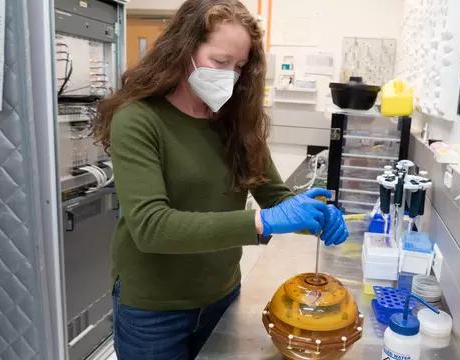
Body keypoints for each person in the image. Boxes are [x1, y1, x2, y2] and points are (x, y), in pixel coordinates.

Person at [91, 0, 349, 359]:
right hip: (153, 309)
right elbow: (151, 227)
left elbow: (275, 197)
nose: (229, 75)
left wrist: (315, 216)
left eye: (240, 66)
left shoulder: (235, 123)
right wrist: (261, 221)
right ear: (183, 49)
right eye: (219, 61)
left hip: (222, 295)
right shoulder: (138, 119)